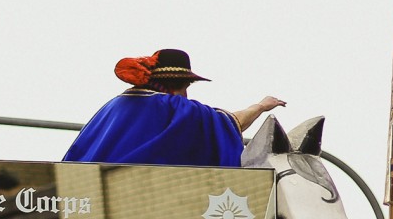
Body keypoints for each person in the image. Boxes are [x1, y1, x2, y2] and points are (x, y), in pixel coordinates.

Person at [62, 48, 284, 167]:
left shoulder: (112, 106)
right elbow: (228, 124)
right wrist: (261, 106)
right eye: (186, 86)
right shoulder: (174, 108)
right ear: (177, 85)